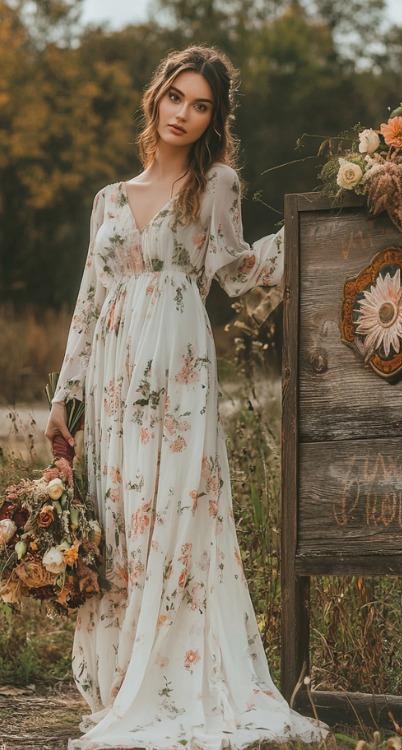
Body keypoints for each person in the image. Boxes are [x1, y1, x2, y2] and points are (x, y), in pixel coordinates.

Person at [45, 45, 327, 750]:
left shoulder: (218, 184)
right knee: (120, 515)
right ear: (157, 97)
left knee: (174, 512)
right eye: (177, 97)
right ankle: (125, 682)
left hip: (178, 368)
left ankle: (177, 680)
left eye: (201, 106)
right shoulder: (109, 199)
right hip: (111, 376)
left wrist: (317, 234)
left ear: (214, 119)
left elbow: (236, 272)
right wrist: (64, 396)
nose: (185, 114)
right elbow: (89, 299)